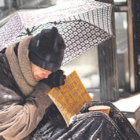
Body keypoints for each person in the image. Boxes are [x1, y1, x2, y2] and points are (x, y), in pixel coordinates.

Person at [0, 27, 139, 140]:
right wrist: (46, 88)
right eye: (43, 70)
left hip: (46, 120)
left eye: (51, 71)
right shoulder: (3, 75)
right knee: (98, 121)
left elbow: (45, 90)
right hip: (26, 133)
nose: (46, 75)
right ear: (29, 59)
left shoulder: (35, 69)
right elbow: (16, 129)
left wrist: (60, 88)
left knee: (105, 109)